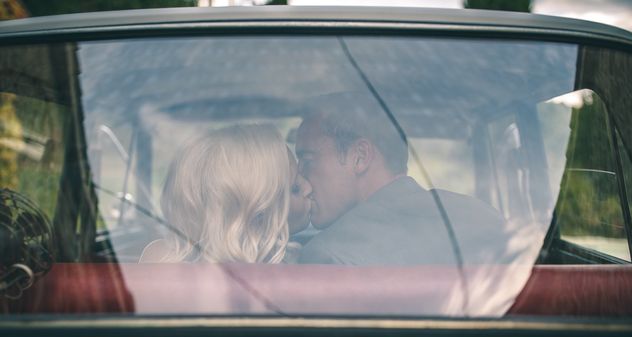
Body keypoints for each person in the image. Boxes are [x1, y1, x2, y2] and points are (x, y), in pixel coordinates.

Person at [295, 92, 507, 265]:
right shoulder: (487, 219)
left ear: (360, 156)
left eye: (307, 159)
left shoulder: (327, 255)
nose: (299, 176)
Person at [140, 124, 311, 263]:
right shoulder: (298, 265)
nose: (309, 188)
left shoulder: (162, 259)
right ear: (258, 214)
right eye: (295, 188)